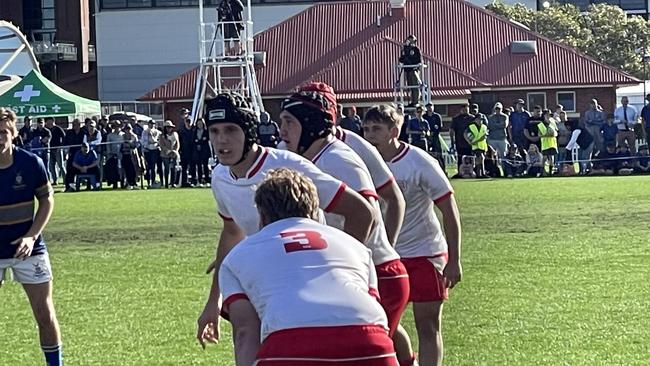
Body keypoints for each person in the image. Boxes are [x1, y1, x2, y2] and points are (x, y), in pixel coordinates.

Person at [196, 92, 376, 348]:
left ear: (248, 131)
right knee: (250, 337)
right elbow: (232, 232)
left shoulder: (288, 165)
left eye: (230, 129)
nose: (222, 140)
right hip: (268, 280)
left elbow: (361, 211)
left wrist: (339, 270)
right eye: (214, 131)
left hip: (311, 283)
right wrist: (214, 300)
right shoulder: (220, 177)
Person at [218, 168, 399, 366]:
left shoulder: (238, 256)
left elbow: (246, 332)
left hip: (291, 344)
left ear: (261, 215)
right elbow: (370, 310)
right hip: (371, 343)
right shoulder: (356, 247)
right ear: (314, 211)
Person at [279, 91, 410, 345]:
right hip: (356, 272)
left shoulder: (337, 159)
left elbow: (366, 215)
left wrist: (340, 266)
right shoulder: (304, 155)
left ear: (310, 125)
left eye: (289, 122)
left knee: (359, 353)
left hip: (377, 273)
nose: (282, 131)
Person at [363, 105, 463, 366]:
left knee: (427, 325)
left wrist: (454, 259)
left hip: (424, 253)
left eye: (377, 129)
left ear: (394, 131)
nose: (370, 134)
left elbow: (449, 210)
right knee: (382, 322)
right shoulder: (361, 162)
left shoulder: (419, 162)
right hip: (383, 255)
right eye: (366, 129)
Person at [298, 81, 406, 248]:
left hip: (358, 250)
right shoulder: (286, 147)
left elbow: (394, 198)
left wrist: (388, 246)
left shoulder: (355, 146)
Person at [0, 108, 63, 366]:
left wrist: (31, 236)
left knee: (44, 313)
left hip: (28, 249)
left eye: (3, 132)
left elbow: (47, 200)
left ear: (14, 134)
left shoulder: (30, 163)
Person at [399, 35, 422, 106]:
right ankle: (411, 101)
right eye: (409, 40)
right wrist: (403, 52)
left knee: (415, 86)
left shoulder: (416, 49)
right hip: (407, 70)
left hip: (414, 70)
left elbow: (419, 60)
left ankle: (416, 101)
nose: (411, 42)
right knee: (410, 86)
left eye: (412, 40)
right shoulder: (405, 50)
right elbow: (401, 59)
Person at [450, 103, 474, 172]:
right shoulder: (456, 119)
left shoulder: (472, 118)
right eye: (463, 108)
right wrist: (452, 141)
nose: (465, 110)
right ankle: (460, 172)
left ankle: (471, 172)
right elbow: (452, 130)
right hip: (460, 142)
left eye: (466, 108)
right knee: (460, 158)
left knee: (470, 158)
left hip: (470, 142)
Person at [63, 119, 84, 191]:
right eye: (73, 125)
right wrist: (66, 152)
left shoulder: (83, 132)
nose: (75, 126)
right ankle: (68, 187)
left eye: (76, 125)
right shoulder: (69, 132)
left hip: (81, 155)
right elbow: (65, 143)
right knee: (69, 171)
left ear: (79, 125)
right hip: (72, 154)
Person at [159, 120, 180, 189]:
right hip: (165, 154)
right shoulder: (161, 136)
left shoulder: (175, 134)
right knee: (167, 169)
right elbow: (162, 145)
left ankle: (173, 183)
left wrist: (175, 151)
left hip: (174, 154)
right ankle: (166, 184)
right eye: (167, 127)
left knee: (173, 169)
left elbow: (177, 144)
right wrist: (168, 151)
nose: (169, 129)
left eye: (170, 127)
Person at [423, 103, 444, 169]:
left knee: (439, 153)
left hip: (435, 137)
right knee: (427, 154)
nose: (429, 108)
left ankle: (442, 168)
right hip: (427, 138)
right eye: (428, 107)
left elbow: (440, 127)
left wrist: (433, 133)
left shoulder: (437, 116)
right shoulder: (424, 116)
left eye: (431, 107)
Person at [45, 117, 66, 185]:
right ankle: (55, 180)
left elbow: (64, 137)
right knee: (52, 166)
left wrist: (61, 146)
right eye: (48, 123)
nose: (49, 124)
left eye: (51, 122)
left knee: (61, 166)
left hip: (58, 149)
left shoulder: (58, 129)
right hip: (49, 149)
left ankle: (65, 180)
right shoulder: (46, 130)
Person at [141, 120, 161, 188]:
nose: (152, 125)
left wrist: (155, 143)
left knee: (153, 167)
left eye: (153, 124)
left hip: (155, 150)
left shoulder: (157, 132)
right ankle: (148, 182)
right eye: (150, 124)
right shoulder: (145, 132)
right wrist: (146, 145)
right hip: (147, 150)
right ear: (148, 124)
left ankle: (153, 181)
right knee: (148, 167)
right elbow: (143, 141)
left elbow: (159, 141)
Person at [537, 109, 558, 176]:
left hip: (552, 143)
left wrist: (553, 134)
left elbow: (556, 132)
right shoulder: (541, 124)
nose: (549, 116)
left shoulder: (552, 123)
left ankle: (550, 171)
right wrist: (546, 135)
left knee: (551, 158)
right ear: (544, 115)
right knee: (545, 158)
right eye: (548, 114)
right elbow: (539, 134)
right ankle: (542, 171)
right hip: (545, 144)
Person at [104, 121, 123, 189]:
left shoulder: (123, 135)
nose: (117, 127)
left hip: (121, 155)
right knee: (113, 169)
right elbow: (108, 145)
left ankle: (122, 183)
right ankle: (114, 183)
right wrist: (110, 154)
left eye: (118, 126)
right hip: (112, 155)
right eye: (115, 126)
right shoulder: (110, 135)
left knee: (121, 169)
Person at [193, 118, 211, 187]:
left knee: (205, 166)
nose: (199, 125)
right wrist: (198, 142)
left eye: (201, 123)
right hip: (197, 152)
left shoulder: (206, 131)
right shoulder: (195, 131)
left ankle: (207, 181)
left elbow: (206, 140)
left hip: (204, 151)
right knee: (199, 166)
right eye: (198, 124)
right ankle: (199, 181)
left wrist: (199, 141)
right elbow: (193, 140)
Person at [120, 124, 139, 189]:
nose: (128, 130)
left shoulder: (134, 136)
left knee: (133, 169)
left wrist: (130, 144)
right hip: (125, 155)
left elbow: (136, 145)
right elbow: (121, 146)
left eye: (129, 129)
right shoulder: (122, 136)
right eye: (126, 129)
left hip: (132, 155)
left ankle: (134, 183)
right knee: (126, 170)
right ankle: (128, 183)